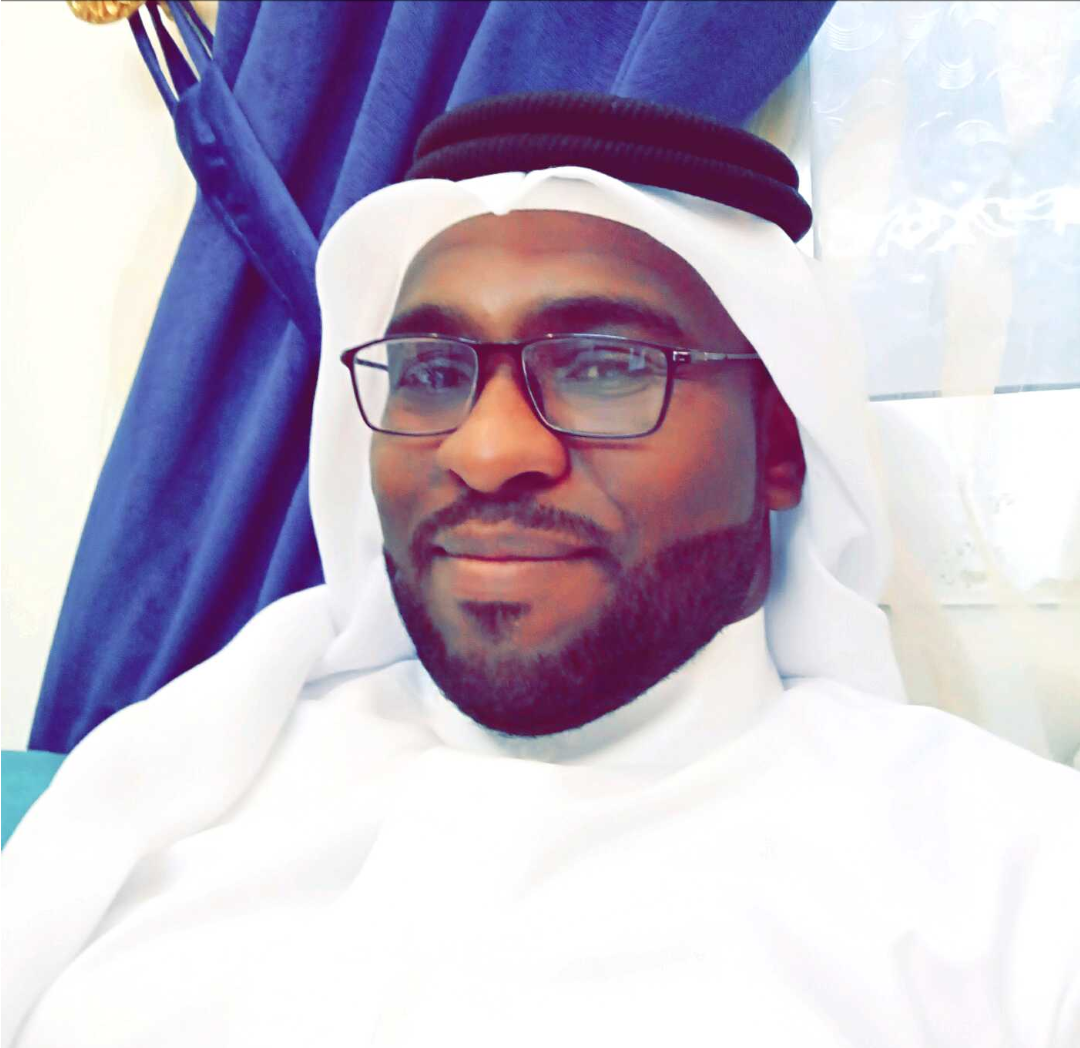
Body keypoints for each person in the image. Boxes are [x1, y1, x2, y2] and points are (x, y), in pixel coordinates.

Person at [2, 92, 1077, 1048]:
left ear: (782, 446)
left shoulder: (1012, 881)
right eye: (430, 370)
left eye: (605, 366)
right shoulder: (173, 794)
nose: (485, 451)